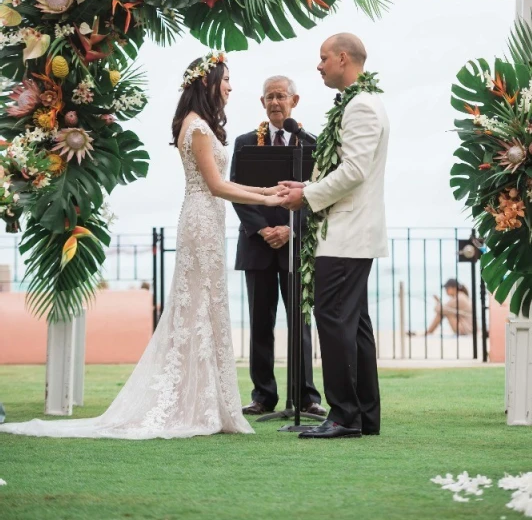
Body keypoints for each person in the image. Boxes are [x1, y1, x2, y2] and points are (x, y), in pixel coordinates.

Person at [0, 52, 283, 440]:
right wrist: (268, 199)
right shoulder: (198, 127)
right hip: (201, 218)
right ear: (208, 82)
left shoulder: (198, 124)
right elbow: (217, 185)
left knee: (206, 306)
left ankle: (204, 401)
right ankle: (190, 404)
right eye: (226, 79)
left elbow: (222, 184)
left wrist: (266, 189)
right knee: (196, 307)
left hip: (207, 218)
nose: (231, 87)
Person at [280, 33, 389, 439]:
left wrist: (306, 195)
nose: (319, 65)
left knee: (333, 318)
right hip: (354, 230)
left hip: (347, 231)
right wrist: (306, 184)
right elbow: (346, 170)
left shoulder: (361, 106)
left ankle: (343, 416)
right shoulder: (363, 102)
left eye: (324, 58)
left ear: (343, 58)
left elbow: (355, 171)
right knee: (354, 324)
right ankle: (364, 416)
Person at [230, 75, 325, 417]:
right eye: (269, 96)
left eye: (280, 96)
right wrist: (263, 230)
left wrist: (289, 229)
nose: (274, 102)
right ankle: (262, 396)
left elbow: (317, 195)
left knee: (300, 322)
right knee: (260, 323)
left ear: (293, 101)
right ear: (262, 102)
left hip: (295, 247)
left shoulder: (310, 142)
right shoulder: (244, 143)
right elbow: (237, 193)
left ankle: (306, 397)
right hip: (257, 247)